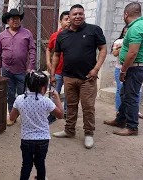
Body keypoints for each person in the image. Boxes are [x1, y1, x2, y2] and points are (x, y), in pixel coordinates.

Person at [51, 4, 107, 149]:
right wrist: (52, 74)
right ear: (69, 17)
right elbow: (56, 55)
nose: (78, 16)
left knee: (88, 107)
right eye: (74, 14)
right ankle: (69, 130)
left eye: (80, 14)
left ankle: (88, 133)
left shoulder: (93, 30)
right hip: (68, 77)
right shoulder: (62, 35)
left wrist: (96, 69)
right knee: (70, 105)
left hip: (88, 78)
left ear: (84, 15)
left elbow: (103, 49)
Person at [9, 71, 63, 180]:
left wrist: (21, 110)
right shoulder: (46, 101)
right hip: (43, 140)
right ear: (43, 88)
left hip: (27, 139)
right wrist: (57, 98)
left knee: (26, 165)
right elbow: (60, 115)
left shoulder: (19, 99)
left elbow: (11, 118)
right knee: (40, 164)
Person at [104, 2, 143, 136]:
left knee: (131, 97)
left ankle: (132, 126)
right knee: (124, 93)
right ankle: (121, 119)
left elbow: (132, 53)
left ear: (126, 14)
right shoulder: (142, 25)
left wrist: (123, 70)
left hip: (134, 68)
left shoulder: (135, 28)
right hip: (137, 67)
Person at [0, 9, 36, 126]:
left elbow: (32, 50)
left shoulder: (27, 33)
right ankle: (12, 116)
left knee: (23, 94)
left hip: (22, 71)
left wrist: (30, 66)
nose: (16, 21)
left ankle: (25, 116)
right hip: (6, 70)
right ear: (8, 21)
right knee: (10, 94)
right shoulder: (1, 36)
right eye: (13, 19)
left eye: (18, 18)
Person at [111, 26, 143, 119]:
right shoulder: (118, 41)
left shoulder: (137, 40)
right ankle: (119, 112)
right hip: (120, 69)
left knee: (136, 91)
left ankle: (134, 112)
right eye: (125, 32)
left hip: (133, 69)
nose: (126, 33)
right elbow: (115, 53)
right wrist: (123, 45)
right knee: (121, 90)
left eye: (128, 32)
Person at [46, 10, 70, 123]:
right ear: (60, 21)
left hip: (71, 72)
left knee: (70, 95)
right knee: (54, 93)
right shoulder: (55, 36)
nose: (69, 21)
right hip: (58, 71)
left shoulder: (75, 35)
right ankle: (52, 114)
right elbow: (48, 49)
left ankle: (66, 114)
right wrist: (48, 63)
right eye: (66, 19)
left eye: (70, 19)